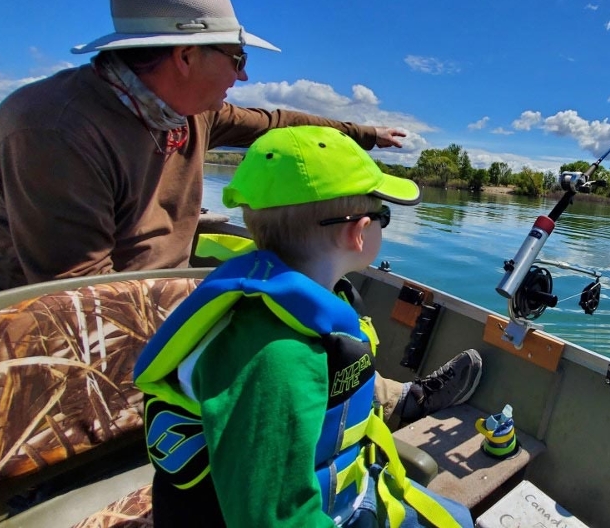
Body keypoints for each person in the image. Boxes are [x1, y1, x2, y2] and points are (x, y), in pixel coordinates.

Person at [0, 0, 478, 427]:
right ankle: (330, 414)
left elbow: (279, 122)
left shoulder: (192, 111)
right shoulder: (52, 129)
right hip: (52, 334)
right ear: (185, 56)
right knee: (277, 310)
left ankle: (379, 398)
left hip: (156, 289)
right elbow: (82, 299)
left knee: (294, 283)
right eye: (237, 59)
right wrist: (223, 309)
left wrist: (365, 134)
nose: (242, 76)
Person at [134, 126, 474, 527]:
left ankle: (405, 403)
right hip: (322, 512)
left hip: (342, 485)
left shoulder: (307, 308)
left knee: (458, 517)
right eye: (384, 214)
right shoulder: (275, 360)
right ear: (359, 232)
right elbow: (274, 518)